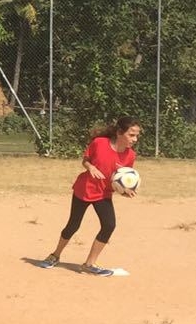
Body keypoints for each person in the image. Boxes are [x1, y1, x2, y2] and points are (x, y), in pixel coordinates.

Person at [39, 116, 140, 276]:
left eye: (136, 136)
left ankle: (89, 264)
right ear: (120, 132)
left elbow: (120, 179)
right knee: (73, 225)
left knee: (109, 225)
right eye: (131, 135)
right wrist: (91, 167)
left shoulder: (130, 156)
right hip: (84, 189)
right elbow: (85, 160)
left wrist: (125, 190)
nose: (135, 139)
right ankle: (55, 255)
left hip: (104, 194)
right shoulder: (99, 143)